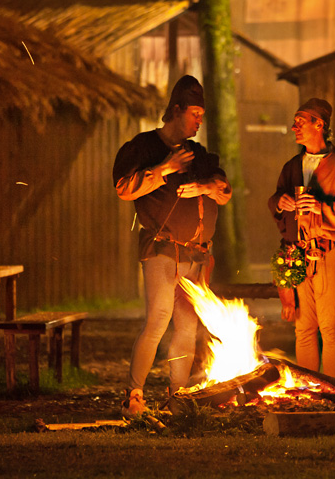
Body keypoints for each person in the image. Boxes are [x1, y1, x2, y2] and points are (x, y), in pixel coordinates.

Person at [112, 75, 232, 417]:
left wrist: (207, 186)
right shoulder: (142, 147)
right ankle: (134, 395)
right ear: (176, 111)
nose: (199, 121)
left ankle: (178, 398)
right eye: (194, 113)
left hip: (196, 255)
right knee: (159, 318)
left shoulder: (198, 154)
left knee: (188, 326)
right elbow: (125, 189)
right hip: (161, 250)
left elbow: (224, 190)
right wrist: (165, 169)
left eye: (201, 115)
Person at [267, 98, 335, 380]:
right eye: (295, 121)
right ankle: (308, 392)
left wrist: (322, 208)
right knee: (303, 327)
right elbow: (275, 199)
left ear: (320, 124)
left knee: (329, 327)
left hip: (328, 251)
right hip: (299, 254)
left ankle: (332, 392)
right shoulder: (292, 166)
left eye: (301, 121)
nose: (294, 128)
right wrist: (282, 202)